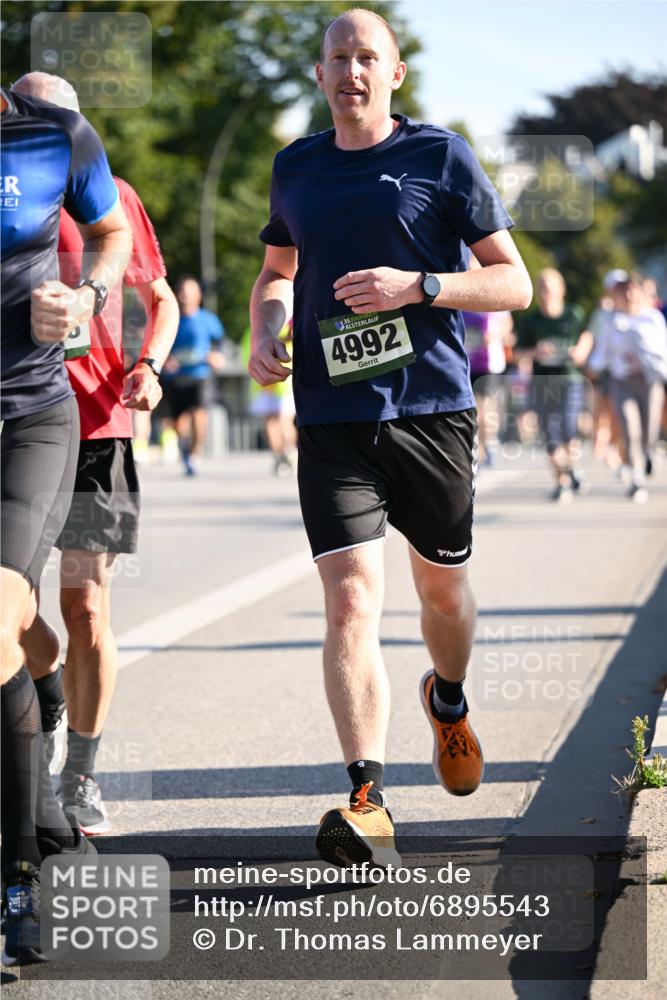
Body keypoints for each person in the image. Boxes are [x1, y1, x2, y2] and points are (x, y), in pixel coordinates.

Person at [249, 8, 532, 867]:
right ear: (320, 73)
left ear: (394, 72)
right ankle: (366, 797)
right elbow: (276, 270)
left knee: (441, 594)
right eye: (337, 57)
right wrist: (266, 325)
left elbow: (512, 283)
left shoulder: (439, 156)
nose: (351, 71)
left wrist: (421, 286)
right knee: (349, 599)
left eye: (366, 56)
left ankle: (446, 698)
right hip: (330, 414)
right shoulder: (294, 167)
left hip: (430, 411)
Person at [12, 73, 179, 836]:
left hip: (96, 425)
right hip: (20, 418)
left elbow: (160, 299)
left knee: (84, 604)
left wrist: (150, 367)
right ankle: (44, 685)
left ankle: (78, 773)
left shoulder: (113, 197)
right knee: (15, 610)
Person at [1, 83, 131, 964]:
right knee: (13, 633)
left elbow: (113, 232)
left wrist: (85, 297)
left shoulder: (55, 135)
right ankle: (44, 806)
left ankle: (19, 881)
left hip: (31, 417)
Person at [587, 272, 667, 503]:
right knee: (629, 430)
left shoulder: (652, 319)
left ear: (641, 292)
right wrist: (592, 366)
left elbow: (661, 351)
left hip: (649, 381)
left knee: (649, 431)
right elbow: (602, 353)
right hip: (621, 381)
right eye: (625, 290)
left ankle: (649, 452)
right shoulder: (611, 321)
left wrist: (637, 338)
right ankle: (637, 479)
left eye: (633, 289)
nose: (630, 294)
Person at [515, 269, 590, 502]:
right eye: (541, 288)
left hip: (569, 380)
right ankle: (561, 482)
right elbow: (517, 353)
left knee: (568, 428)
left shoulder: (573, 314)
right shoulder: (531, 322)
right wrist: (535, 352)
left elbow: (587, 336)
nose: (545, 292)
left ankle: (571, 467)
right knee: (550, 435)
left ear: (561, 289)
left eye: (549, 287)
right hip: (542, 382)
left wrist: (579, 352)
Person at [162, 276, 225, 475]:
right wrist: (166, 359)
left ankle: (195, 454)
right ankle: (185, 449)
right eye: (182, 292)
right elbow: (160, 343)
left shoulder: (208, 319)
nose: (185, 296)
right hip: (176, 377)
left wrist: (217, 356)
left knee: (199, 415)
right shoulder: (171, 319)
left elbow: (220, 343)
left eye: (190, 292)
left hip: (200, 375)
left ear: (199, 296)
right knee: (178, 422)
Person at [242, 322, 297, 475]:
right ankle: (289, 454)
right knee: (282, 421)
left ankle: (281, 456)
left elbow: (246, 357)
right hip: (281, 383)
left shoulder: (254, 330)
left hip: (266, 384)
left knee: (273, 422)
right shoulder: (286, 326)